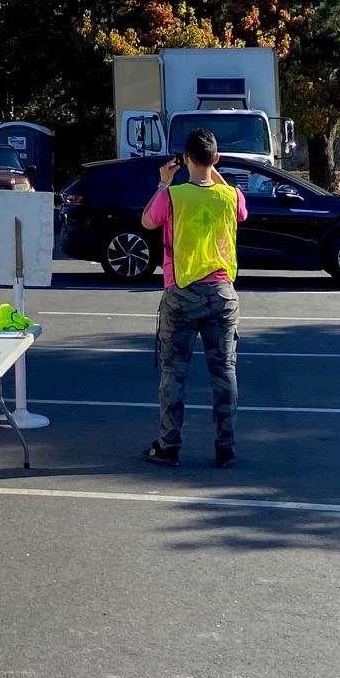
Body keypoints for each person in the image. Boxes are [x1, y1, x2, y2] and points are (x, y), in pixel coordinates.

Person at [139, 129, 247, 469]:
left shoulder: (173, 196)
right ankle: (226, 447)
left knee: (174, 371)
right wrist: (212, 170)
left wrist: (163, 182)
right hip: (222, 293)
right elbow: (241, 212)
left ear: (184, 159)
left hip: (182, 291)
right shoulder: (231, 197)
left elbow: (147, 222)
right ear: (216, 160)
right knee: (224, 371)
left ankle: (169, 446)